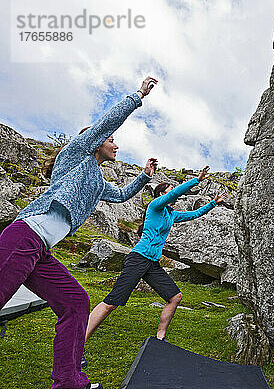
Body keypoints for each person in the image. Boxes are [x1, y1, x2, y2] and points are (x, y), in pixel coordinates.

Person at [0, 76, 158, 389]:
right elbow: (106, 121)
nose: (116, 144)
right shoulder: (74, 157)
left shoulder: (97, 182)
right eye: (111, 140)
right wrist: (138, 95)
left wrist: (143, 176)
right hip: (24, 236)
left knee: (76, 302)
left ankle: (69, 382)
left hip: (40, 251)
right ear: (97, 141)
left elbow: (122, 195)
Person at [84, 167, 227, 355]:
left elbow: (193, 215)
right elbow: (176, 192)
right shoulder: (155, 206)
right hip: (138, 258)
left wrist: (213, 203)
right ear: (161, 194)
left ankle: (160, 337)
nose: (173, 194)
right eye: (169, 192)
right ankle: (79, 342)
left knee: (175, 297)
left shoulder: (171, 214)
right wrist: (196, 180)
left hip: (152, 264)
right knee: (112, 302)